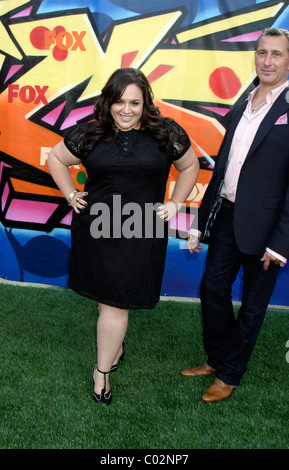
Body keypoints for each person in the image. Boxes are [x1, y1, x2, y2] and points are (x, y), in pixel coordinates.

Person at [48, 68, 199, 405]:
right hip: (99, 229)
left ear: (145, 103)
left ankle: (112, 347)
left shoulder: (165, 133)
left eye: (134, 102)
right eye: (119, 102)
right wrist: (71, 194)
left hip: (142, 232)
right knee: (113, 306)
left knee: (118, 304)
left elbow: (190, 166)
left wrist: (176, 203)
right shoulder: (91, 134)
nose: (126, 109)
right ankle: (102, 370)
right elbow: (57, 159)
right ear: (108, 102)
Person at [182, 27, 289, 402]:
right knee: (212, 288)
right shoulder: (243, 103)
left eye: (276, 54)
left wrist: (281, 242)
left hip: (268, 228)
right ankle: (216, 358)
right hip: (227, 215)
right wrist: (199, 223)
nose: (268, 61)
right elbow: (223, 167)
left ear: (288, 59)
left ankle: (230, 374)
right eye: (262, 53)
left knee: (253, 306)